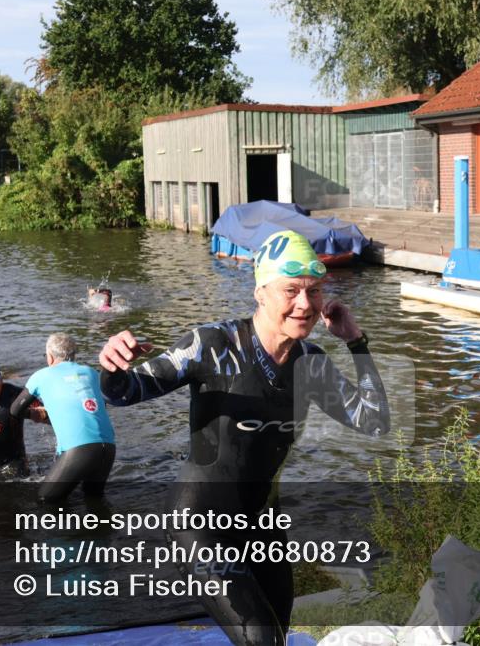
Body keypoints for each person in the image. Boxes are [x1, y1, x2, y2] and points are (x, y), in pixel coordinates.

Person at [98, 229, 390, 646]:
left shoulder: (313, 363)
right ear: (261, 292)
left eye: (314, 291)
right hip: (199, 524)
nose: (305, 304)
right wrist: (111, 366)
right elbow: (124, 392)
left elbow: (375, 420)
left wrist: (356, 343)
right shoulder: (212, 344)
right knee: (261, 638)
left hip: (262, 526)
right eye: (291, 290)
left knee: (277, 633)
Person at [10, 333, 115, 503]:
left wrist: (37, 414)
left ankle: (67, 529)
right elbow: (100, 407)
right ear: (74, 354)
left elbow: (15, 410)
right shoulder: (92, 373)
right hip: (108, 447)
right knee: (93, 500)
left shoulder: (41, 376)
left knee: (46, 501)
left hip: (78, 450)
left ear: (50, 357)